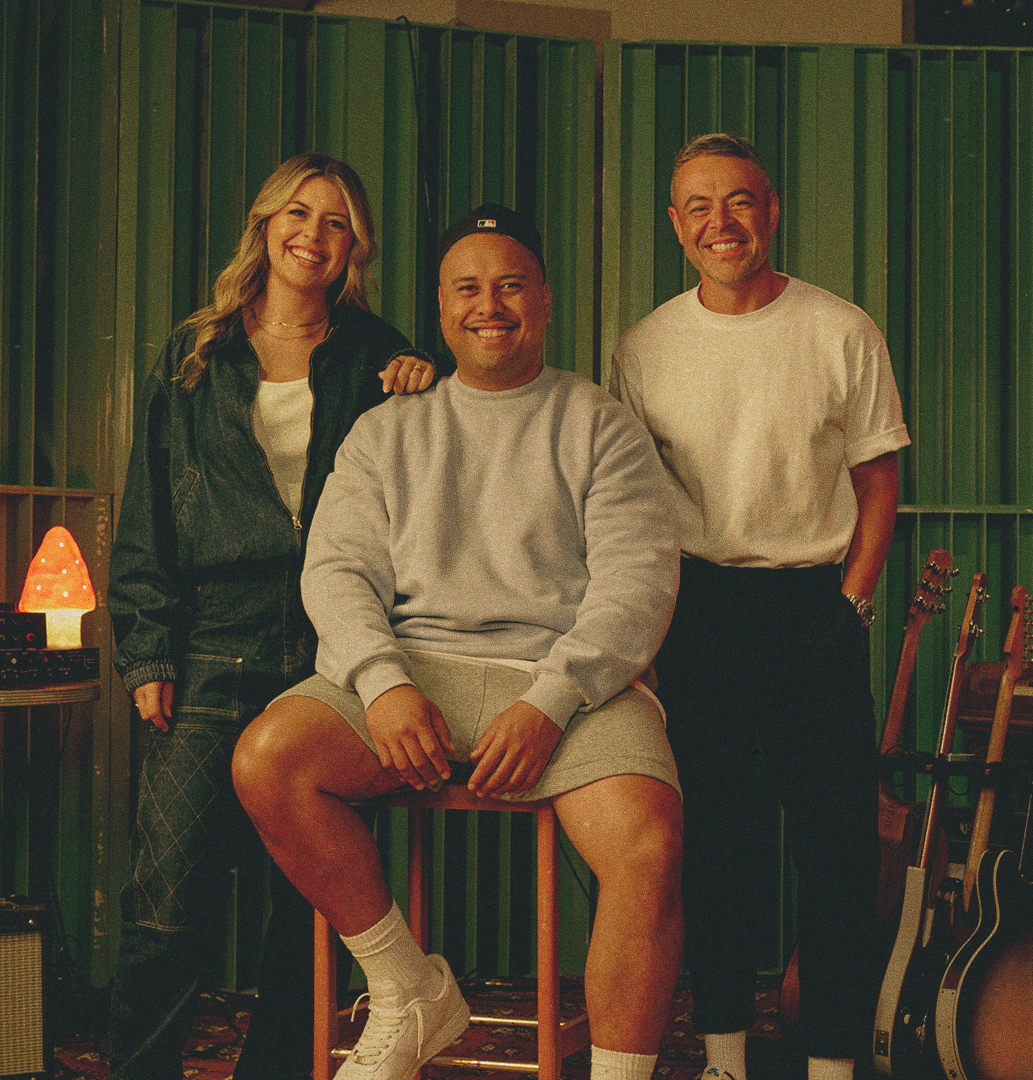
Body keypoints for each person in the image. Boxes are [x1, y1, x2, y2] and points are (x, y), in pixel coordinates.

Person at [231, 204, 685, 1080]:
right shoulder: (386, 428)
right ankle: (407, 990)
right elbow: (335, 572)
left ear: (545, 301)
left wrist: (552, 701)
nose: (490, 305)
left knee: (649, 841)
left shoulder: (600, 424)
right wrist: (381, 681)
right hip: (415, 670)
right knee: (268, 760)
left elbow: (639, 584)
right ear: (440, 311)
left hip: (569, 682)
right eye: (467, 289)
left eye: (511, 285)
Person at [107, 152, 439, 1080]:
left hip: (338, 648)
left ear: (354, 245)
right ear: (265, 226)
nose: (314, 235)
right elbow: (148, 515)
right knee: (164, 897)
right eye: (299, 213)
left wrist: (427, 383)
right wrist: (146, 654)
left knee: (311, 905)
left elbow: (444, 468)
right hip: (214, 644)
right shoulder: (195, 352)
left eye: (336, 221)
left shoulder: (381, 351)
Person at [609, 133, 910, 1080]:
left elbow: (880, 479)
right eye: (697, 207)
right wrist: (654, 629)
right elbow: (631, 502)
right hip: (697, 612)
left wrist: (853, 605)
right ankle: (727, 1057)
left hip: (814, 608)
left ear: (771, 210)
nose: (719, 223)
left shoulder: (841, 330)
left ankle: (830, 1063)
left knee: (834, 851)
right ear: (674, 225)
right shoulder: (645, 347)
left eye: (738, 201)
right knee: (715, 847)